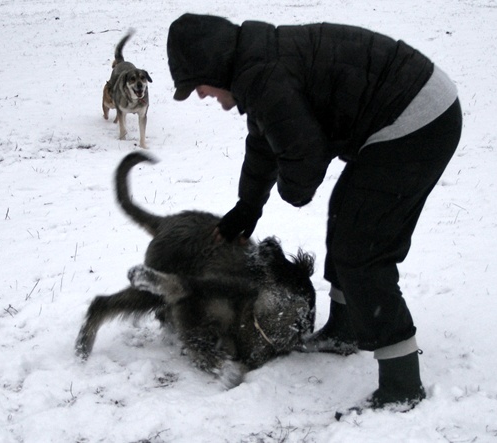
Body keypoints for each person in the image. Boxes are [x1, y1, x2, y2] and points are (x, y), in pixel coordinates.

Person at [166, 13, 462, 412]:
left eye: (197, 85)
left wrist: (294, 190)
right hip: (411, 109)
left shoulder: (264, 77)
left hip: (417, 119)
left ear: (212, 66)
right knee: (345, 218)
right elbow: (266, 139)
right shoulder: (257, 67)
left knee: (363, 248)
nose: (202, 95)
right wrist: (247, 208)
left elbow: (302, 153)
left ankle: (401, 385)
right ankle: (345, 330)